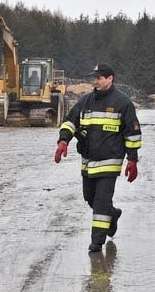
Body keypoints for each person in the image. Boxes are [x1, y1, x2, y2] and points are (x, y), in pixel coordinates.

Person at [55, 63, 141, 252]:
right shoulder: (85, 101)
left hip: (110, 161)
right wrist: (63, 141)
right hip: (88, 161)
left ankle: (97, 243)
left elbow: (132, 134)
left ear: (110, 78)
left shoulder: (123, 103)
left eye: (99, 78)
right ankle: (112, 215)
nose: (96, 81)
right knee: (90, 199)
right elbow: (70, 121)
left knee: (101, 203)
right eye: (95, 78)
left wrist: (132, 160)